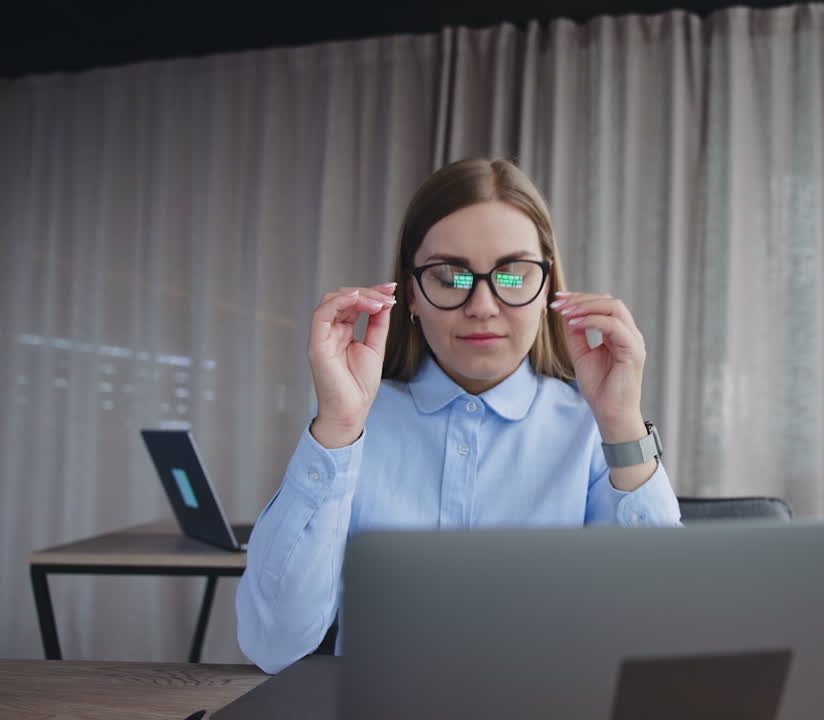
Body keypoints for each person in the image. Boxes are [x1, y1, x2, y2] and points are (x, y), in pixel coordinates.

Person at [235, 158, 681, 674]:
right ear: (413, 295)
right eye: (450, 277)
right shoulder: (356, 422)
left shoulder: (588, 427)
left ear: (546, 288)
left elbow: (658, 634)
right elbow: (272, 644)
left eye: (513, 274)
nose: (484, 305)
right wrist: (335, 428)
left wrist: (623, 423)